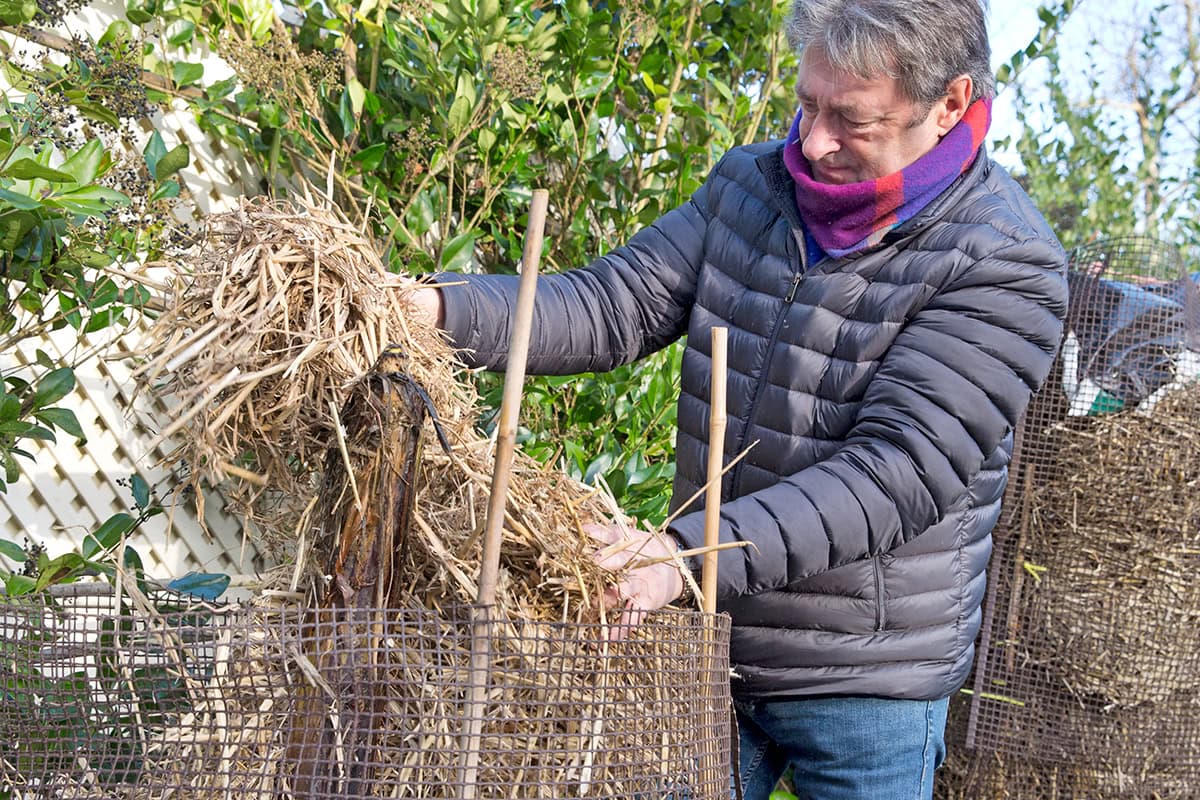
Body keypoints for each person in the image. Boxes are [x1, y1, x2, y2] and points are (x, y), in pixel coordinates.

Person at [411, 0, 1068, 796]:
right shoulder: (753, 186)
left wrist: (683, 557)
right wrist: (441, 310)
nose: (815, 142)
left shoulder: (1004, 260)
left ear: (950, 104)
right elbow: (613, 304)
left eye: (852, 121)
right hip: (711, 645)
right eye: (808, 105)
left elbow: (897, 472)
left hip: (865, 674)